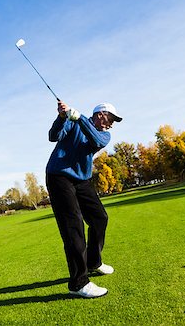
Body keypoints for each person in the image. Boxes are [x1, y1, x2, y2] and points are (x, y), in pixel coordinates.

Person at [46, 101, 122, 298]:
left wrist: (78, 118)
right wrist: (62, 118)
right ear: (100, 114)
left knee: (99, 218)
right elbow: (53, 136)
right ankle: (79, 283)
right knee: (73, 227)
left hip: (82, 180)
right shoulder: (73, 122)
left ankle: (94, 262)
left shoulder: (103, 134)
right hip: (59, 177)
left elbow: (95, 141)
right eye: (111, 118)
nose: (112, 124)